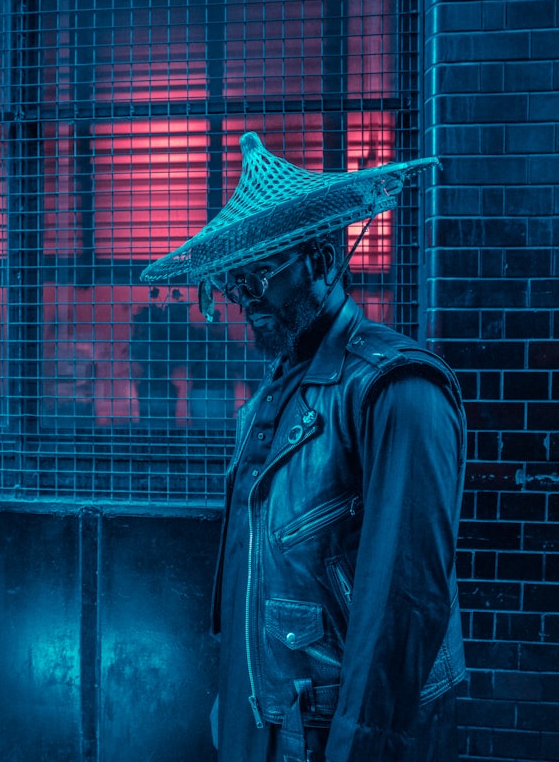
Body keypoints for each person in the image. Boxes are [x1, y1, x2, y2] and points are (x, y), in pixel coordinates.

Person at [140, 132, 467, 762]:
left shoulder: (395, 388)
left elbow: (405, 599)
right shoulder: (272, 393)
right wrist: (233, 702)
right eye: (235, 282)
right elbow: (256, 569)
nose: (248, 300)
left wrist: (359, 746)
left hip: (326, 737)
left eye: (263, 274)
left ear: (321, 259)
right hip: (265, 723)